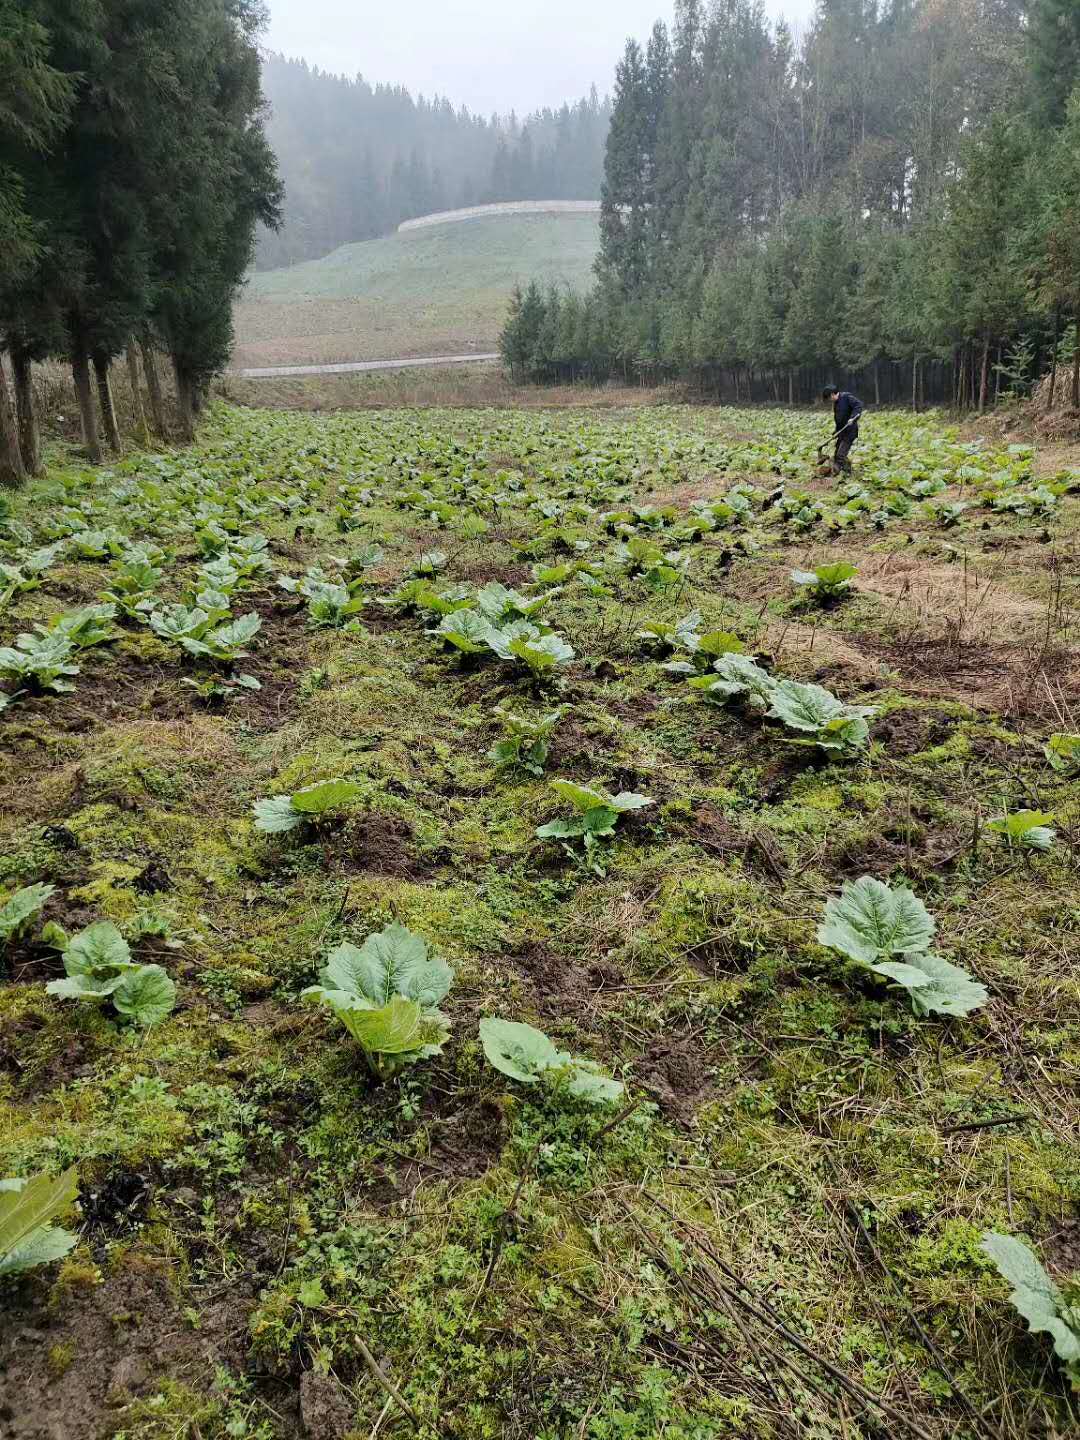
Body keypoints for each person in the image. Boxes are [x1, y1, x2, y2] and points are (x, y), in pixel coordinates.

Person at [822, 385, 863, 474]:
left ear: (832, 394)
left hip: (850, 432)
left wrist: (852, 418)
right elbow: (839, 419)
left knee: (840, 455)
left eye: (829, 398)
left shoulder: (847, 397)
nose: (829, 400)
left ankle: (839, 471)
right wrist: (836, 431)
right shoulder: (836, 403)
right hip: (842, 432)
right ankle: (847, 470)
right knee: (837, 454)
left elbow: (858, 405)